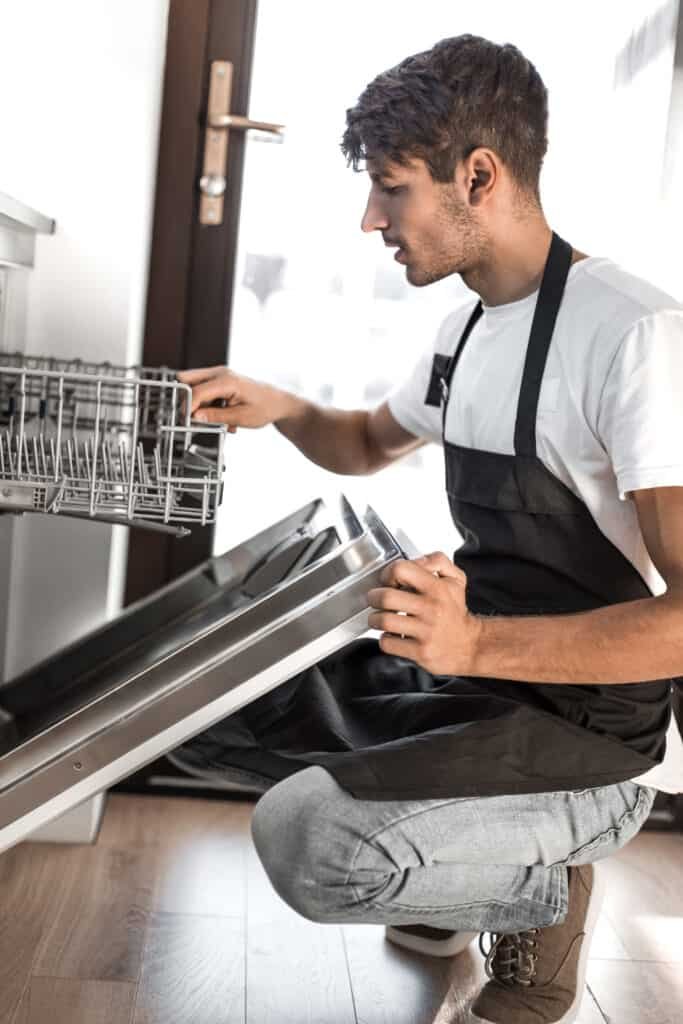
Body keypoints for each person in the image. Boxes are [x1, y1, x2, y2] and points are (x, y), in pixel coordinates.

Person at [177, 35, 683, 1024]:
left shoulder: (629, 335)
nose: (370, 219)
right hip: (475, 685)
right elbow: (368, 441)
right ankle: (463, 857)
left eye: (389, 188)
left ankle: (541, 895)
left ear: (478, 176)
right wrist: (278, 403)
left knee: (307, 837)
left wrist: (476, 639)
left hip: (582, 739)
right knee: (229, 705)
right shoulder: (464, 328)